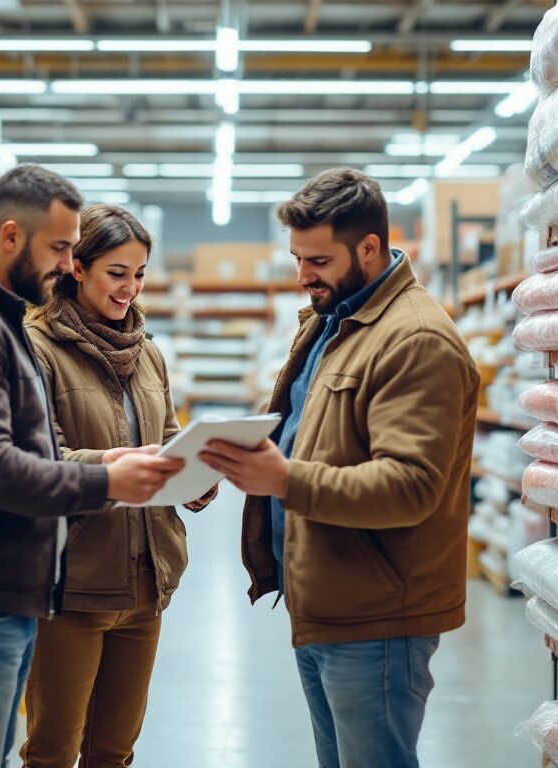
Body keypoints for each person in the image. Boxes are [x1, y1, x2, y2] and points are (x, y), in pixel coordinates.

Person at [0, 165, 186, 768]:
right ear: (11, 236)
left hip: (16, 585)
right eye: (60, 249)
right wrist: (107, 476)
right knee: (22, 752)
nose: (66, 265)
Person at [199, 168, 479, 768]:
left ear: (370, 247)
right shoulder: (337, 322)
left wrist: (283, 480)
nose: (303, 276)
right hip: (328, 598)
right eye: (298, 258)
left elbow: (410, 486)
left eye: (318, 260)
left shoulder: (415, 339)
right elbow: (318, 434)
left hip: (377, 616)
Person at [19, 204, 218, 768]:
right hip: (72, 582)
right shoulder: (36, 349)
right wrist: (113, 466)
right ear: (76, 268)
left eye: (140, 274)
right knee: (53, 752)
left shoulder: (147, 352)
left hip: (145, 583)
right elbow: (36, 459)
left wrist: (195, 477)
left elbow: (170, 435)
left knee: (114, 751)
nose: (130, 288)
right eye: (116, 273)